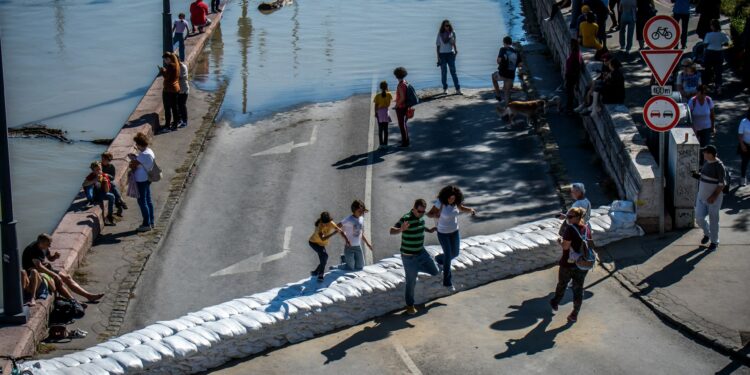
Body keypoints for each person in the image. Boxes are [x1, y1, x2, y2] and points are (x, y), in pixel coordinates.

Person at [22, 234, 104, 303]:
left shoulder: (44, 247)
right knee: (58, 281)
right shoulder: (33, 250)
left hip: (45, 269)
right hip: (35, 273)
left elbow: (50, 258)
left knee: (67, 277)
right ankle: (73, 301)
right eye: (48, 244)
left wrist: (55, 256)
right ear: (41, 242)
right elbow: (39, 267)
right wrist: (54, 275)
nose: (49, 246)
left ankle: (88, 296)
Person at [390, 199, 439, 315]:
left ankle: (416, 269)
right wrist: (401, 229)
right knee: (411, 282)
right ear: (414, 209)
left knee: (435, 271)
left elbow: (421, 225)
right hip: (409, 257)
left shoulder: (421, 218)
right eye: (419, 211)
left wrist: (429, 230)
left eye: (423, 212)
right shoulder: (406, 218)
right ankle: (409, 305)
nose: (421, 214)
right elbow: (391, 230)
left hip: (421, 252)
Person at [427, 186, 476, 291]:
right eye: (450, 198)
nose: (452, 200)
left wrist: (471, 210)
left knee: (455, 253)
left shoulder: (455, 202)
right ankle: (447, 283)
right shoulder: (440, 203)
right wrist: (436, 214)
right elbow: (429, 214)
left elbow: (462, 208)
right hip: (443, 233)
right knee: (448, 256)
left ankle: (439, 259)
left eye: (454, 198)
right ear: (446, 197)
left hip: (454, 232)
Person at [549, 207, 591, 323]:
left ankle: (555, 302)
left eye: (570, 217)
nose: (568, 218)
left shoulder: (570, 230)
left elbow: (565, 247)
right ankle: (574, 314)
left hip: (568, 264)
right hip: (582, 264)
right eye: (567, 215)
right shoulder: (586, 228)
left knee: (562, 283)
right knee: (578, 289)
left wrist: (560, 242)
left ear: (578, 217)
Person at [693, 145, 725, 250]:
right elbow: (704, 176)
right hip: (701, 197)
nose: (703, 154)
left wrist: (714, 196)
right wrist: (696, 175)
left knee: (713, 220)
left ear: (710, 154)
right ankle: (707, 233)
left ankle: (714, 242)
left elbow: (722, 184)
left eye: (705, 152)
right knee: (699, 218)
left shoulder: (719, 166)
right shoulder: (707, 163)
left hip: (713, 199)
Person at [309, 211, 348, 281]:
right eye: (324, 223)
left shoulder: (331, 223)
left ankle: (315, 272)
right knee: (324, 256)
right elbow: (323, 238)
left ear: (329, 221)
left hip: (321, 244)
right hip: (314, 243)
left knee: (324, 258)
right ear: (321, 221)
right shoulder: (320, 226)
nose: (325, 225)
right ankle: (320, 275)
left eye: (326, 223)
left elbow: (339, 230)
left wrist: (346, 239)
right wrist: (333, 233)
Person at [129, 132, 156, 232]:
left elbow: (133, 165)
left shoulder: (143, 155)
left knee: (142, 202)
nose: (136, 146)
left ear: (139, 144)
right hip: (147, 179)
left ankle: (146, 224)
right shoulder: (149, 151)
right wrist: (136, 157)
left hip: (141, 180)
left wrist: (132, 159)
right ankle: (151, 221)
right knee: (148, 201)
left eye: (136, 144)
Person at [339, 200, 373, 271]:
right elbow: (337, 227)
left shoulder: (361, 219)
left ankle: (346, 258)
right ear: (354, 210)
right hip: (349, 247)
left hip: (358, 246)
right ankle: (343, 260)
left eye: (362, 211)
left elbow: (360, 232)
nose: (361, 213)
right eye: (359, 211)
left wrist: (367, 244)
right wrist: (345, 238)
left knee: (360, 266)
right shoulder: (348, 219)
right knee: (350, 267)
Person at [83, 161, 117, 225]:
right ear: (93, 171)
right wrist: (95, 180)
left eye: (100, 169)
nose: (99, 171)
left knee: (112, 196)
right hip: (93, 195)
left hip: (100, 194)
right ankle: (90, 200)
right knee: (89, 186)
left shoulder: (104, 176)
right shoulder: (91, 176)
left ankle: (110, 215)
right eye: (97, 170)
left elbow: (106, 191)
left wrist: (106, 183)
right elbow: (84, 184)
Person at [688, 85, 715, 163]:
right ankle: (694, 162)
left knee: (705, 147)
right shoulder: (692, 101)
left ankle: (702, 164)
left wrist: (713, 127)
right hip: (695, 128)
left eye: (702, 94)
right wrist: (691, 128)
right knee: (695, 146)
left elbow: (712, 114)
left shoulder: (709, 100)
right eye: (698, 93)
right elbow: (688, 116)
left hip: (706, 127)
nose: (699, 95)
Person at [703, 19, 730, 95]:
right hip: (719, 53)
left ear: (712, 26)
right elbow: (727, 43)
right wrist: (721, 44)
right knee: (718, 71)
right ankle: (718, 88)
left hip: (709, 53)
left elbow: (705, 45)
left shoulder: (708, 34)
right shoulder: (723, 34)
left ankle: (706, 87)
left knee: (707, 70)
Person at [492, 36, 523, 104]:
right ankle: (507, 109)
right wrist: (513, 65)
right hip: (511, 75)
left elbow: (499, 60)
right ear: (511, 43)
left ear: (504, 42)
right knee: (507, 91)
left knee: (493, 76)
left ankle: (498, 95)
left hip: (502, 74)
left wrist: (500, 62)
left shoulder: (503, 49)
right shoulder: (516, 52)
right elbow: (520, 64)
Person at [436, 20, 461, 95]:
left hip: (450, 54)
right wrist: (438, 57)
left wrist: (456, 51)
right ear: (443, 26)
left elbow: (454, 43)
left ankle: (458, 89)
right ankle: (445, 88)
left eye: (448, 25)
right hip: (442, 54)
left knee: (453, 72)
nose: (447, 27)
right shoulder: (440, 34)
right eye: (446, 25)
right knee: (444, 72)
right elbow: (437, 46)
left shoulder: (453, 33)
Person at [158, 52, 181, 132]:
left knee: (167, 108)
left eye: (166, 59)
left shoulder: (171, 66)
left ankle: (167, 126)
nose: (165, 61)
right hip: (176, 88)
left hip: (169, 90)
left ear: (170, 59)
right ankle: (175, 124)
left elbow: (167, 77)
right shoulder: (177, 64)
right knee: (175, 108)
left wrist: (162, 71)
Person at [393, 67, 411, 148]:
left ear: (396, 76)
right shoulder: (405, 82)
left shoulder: (400, 85)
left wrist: (396, 105)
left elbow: (402, 98)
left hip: (401, 107)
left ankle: (405, 143)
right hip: (406, 106)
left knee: (401, 125)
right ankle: (405, 139)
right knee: (404, 124)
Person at [564, 39, 584, 114]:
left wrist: (575, 79)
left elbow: (577, 67)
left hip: (571, 76)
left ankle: (569, 107)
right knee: (569, 91)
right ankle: (569, 106)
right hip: (571, 75)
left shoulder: (575, 54)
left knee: (570, 92)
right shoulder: (576, 53)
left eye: (571, 44)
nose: (569, 45)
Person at [373, 81, 392, 148]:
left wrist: (375, 112)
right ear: (387, 87)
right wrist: (387, 90)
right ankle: (385, 144)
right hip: (386, 112)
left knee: (380, 129)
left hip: (380, 113)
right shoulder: (389, 94)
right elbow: (389, 104)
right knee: (386, 130)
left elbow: (376, 105)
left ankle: (381, 144)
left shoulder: (377, 96)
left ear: (380, 87)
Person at [737, 107, 750, 186]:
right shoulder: (744, 122)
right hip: (745, 145)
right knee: (745, 162)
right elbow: (740, 134)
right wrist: (742, 145)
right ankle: (743, 178)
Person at [177, 60, 189, 128]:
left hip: (184, 89)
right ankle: (180, 119)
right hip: (179, 89)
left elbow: (179, 77)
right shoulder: (177, 66)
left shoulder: (183, 67)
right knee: (178, 105)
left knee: (182, 105)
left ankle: (185, 121)